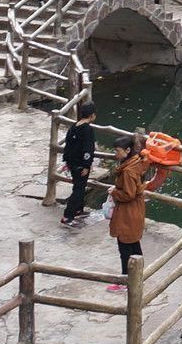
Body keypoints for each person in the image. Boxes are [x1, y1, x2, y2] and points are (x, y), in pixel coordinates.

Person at [106, 138, 146, 292]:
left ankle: (126, 280)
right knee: (134, 242)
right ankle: (138, 275)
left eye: (118, 150)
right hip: (136, 209)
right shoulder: (136, 163)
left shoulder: (128, 171)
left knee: (125, 245)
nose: (116, 153)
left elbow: (128, 194)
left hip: (128, 211)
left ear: (127, 150)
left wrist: (115, 191)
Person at [61, 101, 98, 225]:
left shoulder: (74, 127)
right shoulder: (87, 130)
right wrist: (87, 165)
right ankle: (68, 215)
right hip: (80, 164)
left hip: (71, 162)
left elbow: (68, 145)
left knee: (78, 186)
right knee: (79, 189)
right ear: (92, 115)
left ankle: (78, 209)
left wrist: (66, 160)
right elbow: (88, 149)